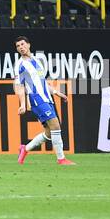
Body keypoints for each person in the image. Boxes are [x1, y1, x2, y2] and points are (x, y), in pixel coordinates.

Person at [13, 35, 75, 166]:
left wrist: (58, 93)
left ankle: (25, 149)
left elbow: (43, 82)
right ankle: (61, 159)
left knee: (49, 132)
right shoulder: (20, 65)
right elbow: (19, 85)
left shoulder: (36, 60)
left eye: (23, 44)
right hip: (36, 99)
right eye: (18, 46)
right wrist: (23, 104)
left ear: (29, 45)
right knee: (56, 125)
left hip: (47, 98)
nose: (21, 47)